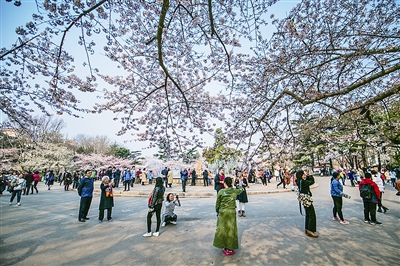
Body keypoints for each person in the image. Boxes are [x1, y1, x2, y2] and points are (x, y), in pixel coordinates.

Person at [213, 176, 244, 256]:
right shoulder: (234, 191)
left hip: (223, 212)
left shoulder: (221, 191)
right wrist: (239, 183)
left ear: (224, 183)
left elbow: (217, 203)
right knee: (231, 229)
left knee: (223, 229)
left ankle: (224, 246)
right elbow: (241, 189)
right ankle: (230, 247)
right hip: (231, 212)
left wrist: (217, 211)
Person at [296, 170, 318, 238]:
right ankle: (310, 230)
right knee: (312, 214)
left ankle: (307, 229)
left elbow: (307, 181)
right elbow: (312, 182)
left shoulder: (299, 181)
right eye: (303, 174)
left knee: (308, 214)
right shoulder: (303, 182)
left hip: (304, 199)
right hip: (306, 199)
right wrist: (310, 175)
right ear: (301, 175)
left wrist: (307, 176)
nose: (304, 175)